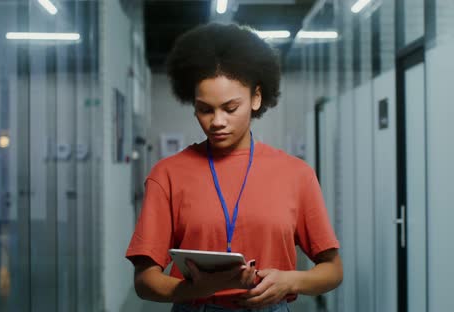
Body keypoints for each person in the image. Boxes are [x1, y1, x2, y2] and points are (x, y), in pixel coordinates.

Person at [126, 23, 343, 312]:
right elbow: (144, 280)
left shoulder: (296, 175)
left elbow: (332, 269)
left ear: (256, 98)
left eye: (230, 108)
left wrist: (291, 281)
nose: (217, 121)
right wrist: (195, 289)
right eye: (205, 109)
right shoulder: (167, 175)